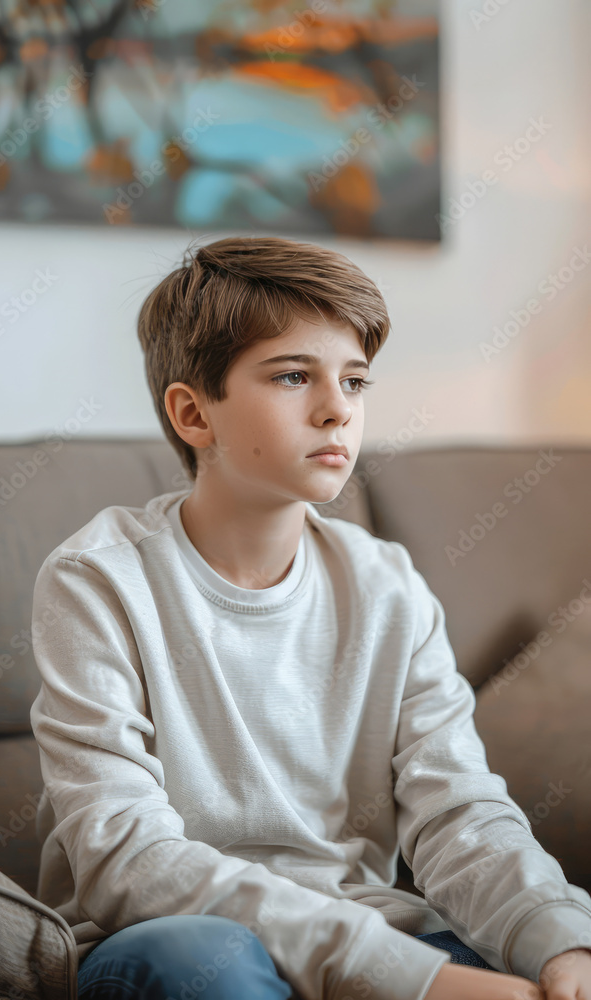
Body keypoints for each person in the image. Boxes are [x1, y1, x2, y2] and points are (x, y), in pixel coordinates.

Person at [30, 236, 591, 1000]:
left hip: (366, 928)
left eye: (353, 380)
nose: (337, 410)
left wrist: (559, 943)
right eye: (293, 376)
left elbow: (458, 810)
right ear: (193, 413)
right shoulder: (97, 580)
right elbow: (128, 860)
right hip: (174, 939)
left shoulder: (387, 586)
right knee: (206, 962)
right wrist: (414, 980)